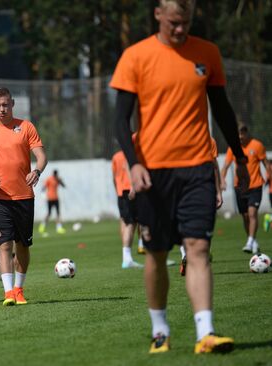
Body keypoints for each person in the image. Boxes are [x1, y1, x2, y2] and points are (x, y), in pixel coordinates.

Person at [111, 0, 249, 354]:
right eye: (174, 22)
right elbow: (119, 120)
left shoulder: (207, 53)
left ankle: (206, 332)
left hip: (198, 168)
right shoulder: (135, 56)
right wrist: (134, 163)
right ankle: (160, 331)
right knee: (156, 253)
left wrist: (240, 155)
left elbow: (222, 109)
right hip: (153, 173)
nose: (180, 30)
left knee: (198, 248)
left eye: (185, 23)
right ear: (158, 14)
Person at [0, 87, 47, 306]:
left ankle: (19, 289)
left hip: (24, 196)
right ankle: (8, 293)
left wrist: (37, 171)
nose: (2, 109)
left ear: (12, 103)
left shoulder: (26, 127)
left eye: (5, 104)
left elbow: (41, 155)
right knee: (5, 244)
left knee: (22, 245)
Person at [220, 125, 270, 254]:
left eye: (242, 135)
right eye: (238, 135)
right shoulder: (233, 148)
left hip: (255, 185)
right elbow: (225, 166)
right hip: (240, 187)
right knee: (245, 216)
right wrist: (222, 180)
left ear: (246, 134)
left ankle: (250, 241)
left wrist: (269, 177)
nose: (240, 138)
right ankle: (252, 240)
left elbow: (266, 163)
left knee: (252, 213)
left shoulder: (257, 145)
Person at [179, 137, 222, 276]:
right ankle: (191, 256)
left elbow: (214, 166)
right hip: (194, 188)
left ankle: (189, 255)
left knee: (193, 226)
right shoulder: (208, 140)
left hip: (197, 187)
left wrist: (218, 191)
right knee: (192, 225)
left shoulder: (209, 141)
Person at [111, 149, 144, 269]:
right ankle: (127, 258)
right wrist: (132, 186)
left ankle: (127, 257)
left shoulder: (116, 156)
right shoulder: (131, 153)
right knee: (132, 223)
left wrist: (117, 191)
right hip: (130, 191)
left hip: (120, 192)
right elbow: (128, 167)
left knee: (125, 222)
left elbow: (114, 177)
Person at [38, 170, 66, 235]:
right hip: (50, 198)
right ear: (53, 174)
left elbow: (63, 186)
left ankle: (59, 228)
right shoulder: (49, 179)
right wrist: (43, 196)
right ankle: (42, 227)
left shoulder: (57, 179)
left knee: (58, 213)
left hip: (56, 198)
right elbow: (43, 188)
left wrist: (60, 180)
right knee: (49, 213)